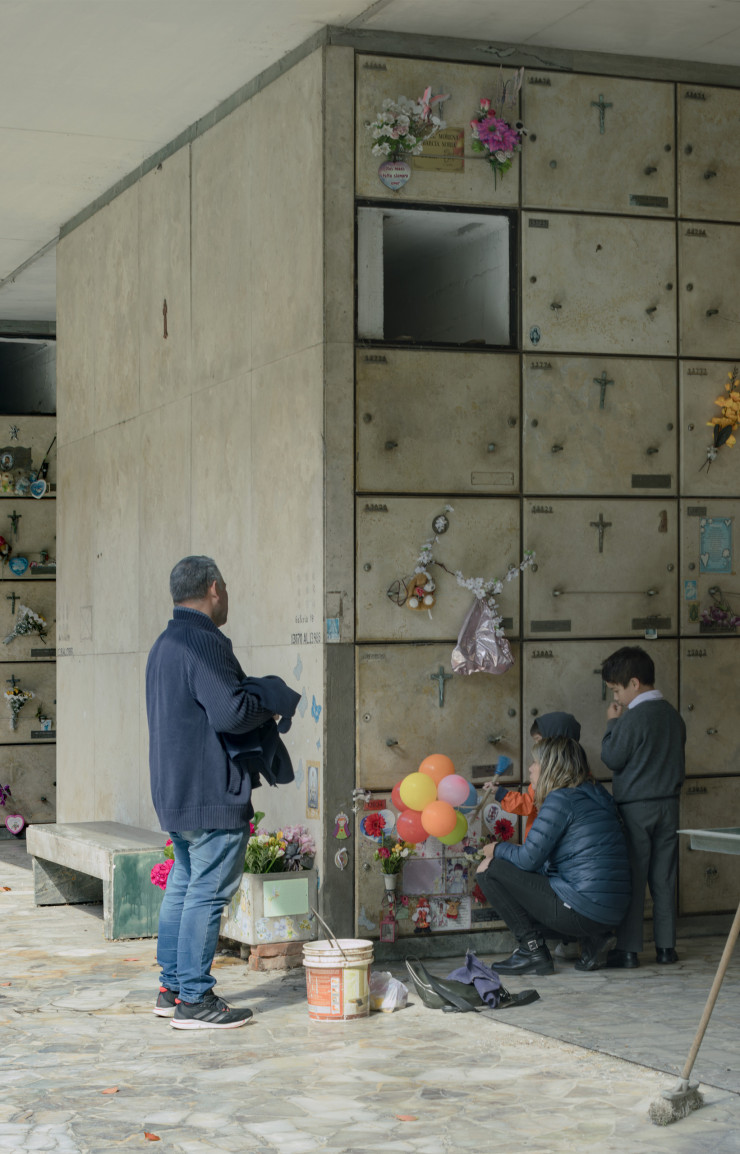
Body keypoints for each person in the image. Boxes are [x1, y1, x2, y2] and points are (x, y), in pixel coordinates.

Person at [146, 555, 297, 1029]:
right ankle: (194, 999)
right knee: (207, 894)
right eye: (225, 588)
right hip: (211, 789)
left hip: (175, 790)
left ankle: (172, 989)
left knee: (184, 886)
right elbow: (230, 714)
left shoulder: (165, 643)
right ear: (214, 588)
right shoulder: (202, 641)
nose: (226, 595)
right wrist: (266, 702)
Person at [476, 736, 631, 975]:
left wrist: (497, 848)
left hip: (582, 909)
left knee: (489, 869)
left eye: (535, 763)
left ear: (551, 767)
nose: (530, 768)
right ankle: (595, 939)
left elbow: (529, 859)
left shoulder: (560, 799)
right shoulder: (595, 794)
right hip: (611, 914)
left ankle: (532, 950)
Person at [600, 645, 686, 969]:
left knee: (634, 879)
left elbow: (612, 758)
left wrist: (612, 724)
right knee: (664, 879)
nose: (616, 698)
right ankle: (666, 948)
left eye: (616, 689)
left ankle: (629, 950)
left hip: (637, 808)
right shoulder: (673, 715)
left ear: (634, 683)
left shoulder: (633, 718)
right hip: (670, 806)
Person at [494, 712, 582, 841]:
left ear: (556, 741)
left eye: (539, 741)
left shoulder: (549, 778)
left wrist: (502, 795)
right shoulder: (580, 774)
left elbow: (528, 804)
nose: (536, 747)